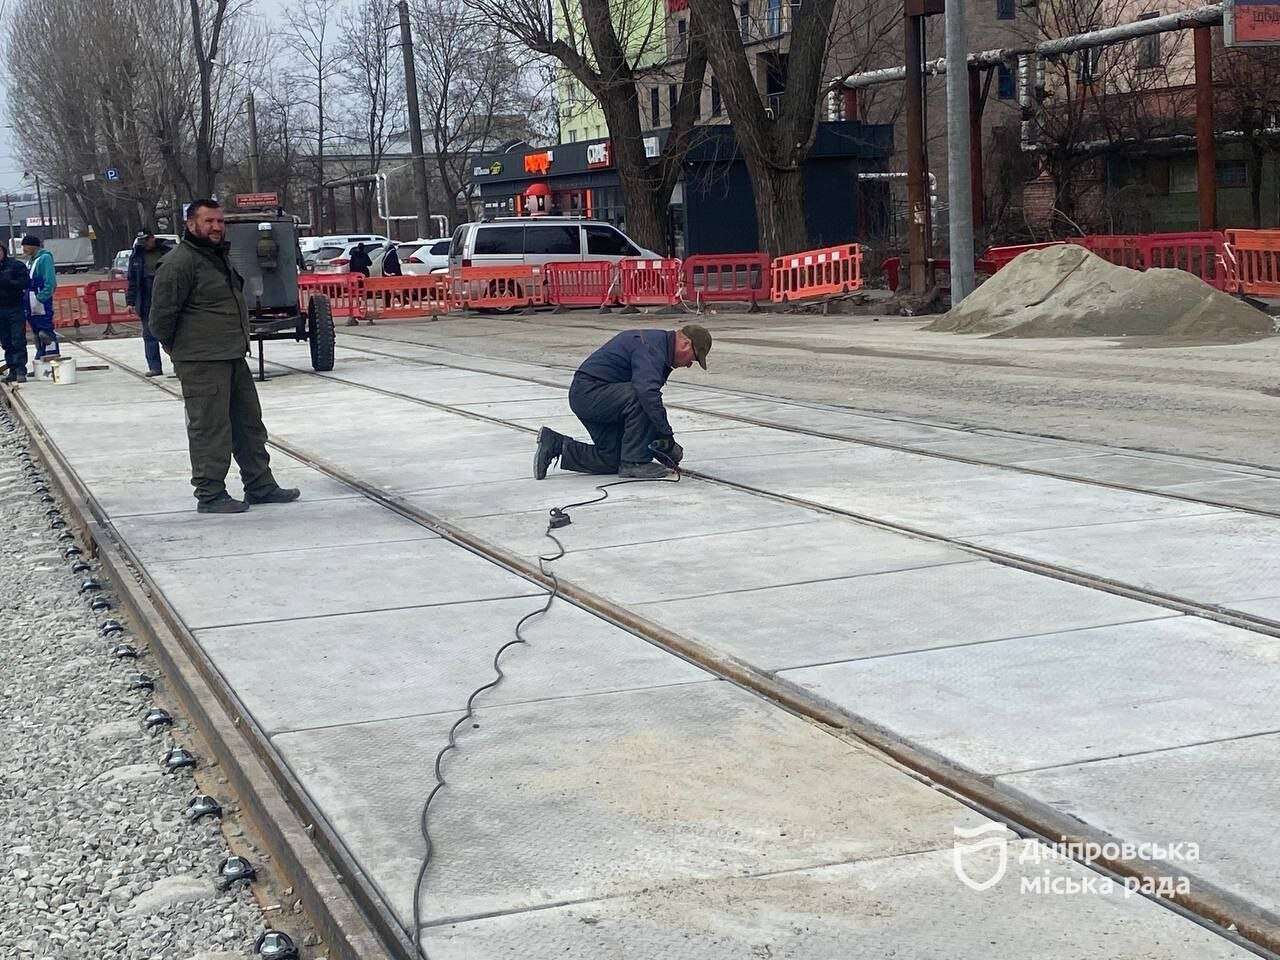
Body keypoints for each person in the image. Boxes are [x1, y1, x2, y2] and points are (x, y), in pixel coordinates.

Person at [148, 199, 300, 515]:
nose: (216, 227)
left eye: (220, 221)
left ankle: (260, 485)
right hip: (202, 361)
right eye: (209, 222)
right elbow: (161, 319)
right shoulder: (179, 263)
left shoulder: (216, 257)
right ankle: (210, 493)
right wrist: (181, 351)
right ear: (191, 225)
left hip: (231, 354)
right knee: (210, 428)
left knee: (248, 424)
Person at [534, 324, 712, 481]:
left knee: (613, 458)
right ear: (685, 344)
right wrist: (666, 436)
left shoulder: (658, 346)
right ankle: (634, 463)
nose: (689, 365)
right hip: (590, 394)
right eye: (693, 358)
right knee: (642, 396)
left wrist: (660, 445)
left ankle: (556, 444)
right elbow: (646, 394)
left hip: (597, 397)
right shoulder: (652, 347)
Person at [125, 230, 174, 377]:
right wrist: (130, 302)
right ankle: (155, 367)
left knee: (173, 335)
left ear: (152, 238)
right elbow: (132, 280)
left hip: (167, 299)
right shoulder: (136, 256)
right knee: (149, 335)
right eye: (142, 241)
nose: (145, 244)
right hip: (146, 300)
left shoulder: (167, 252)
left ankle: (178, 365)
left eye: (147, 240)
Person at [21, 234, 58, 359]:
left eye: (25, 245)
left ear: (33, 246)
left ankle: (51, 357)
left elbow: (50, 282)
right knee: (36, 332)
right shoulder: (30, 261)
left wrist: (41, 298)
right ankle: (41, 358)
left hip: (40, 301)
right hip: (30, 302)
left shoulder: (45, 258)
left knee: (45, 331)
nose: (23, 248)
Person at [0, 245, 30, 382]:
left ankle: (20, 370)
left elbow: (25, 283)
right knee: (6, 341)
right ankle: (12, 369)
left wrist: (10, 282)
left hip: (15, 308)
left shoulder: (15, 265)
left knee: (17, 339)